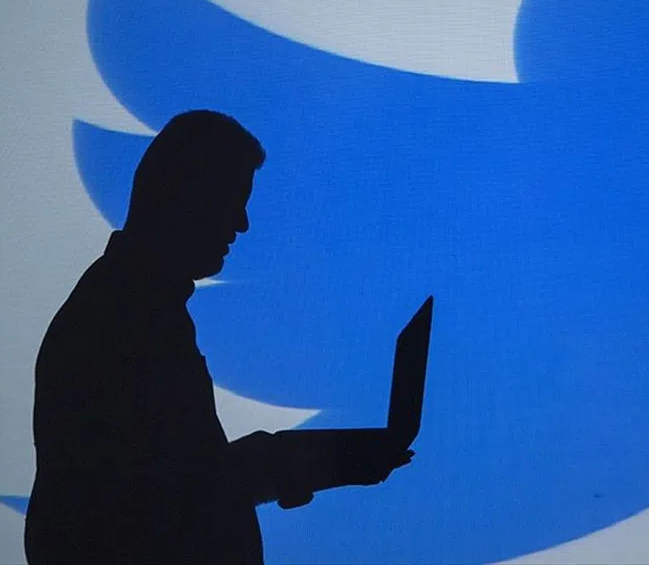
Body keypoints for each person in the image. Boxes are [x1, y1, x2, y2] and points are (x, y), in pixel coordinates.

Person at [25, 110, 412, 564]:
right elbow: (175, 495)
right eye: (232, 199)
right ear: (183, 195)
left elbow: (186, 481)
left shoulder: (133, 308)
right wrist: (325, 460)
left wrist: (322, 461)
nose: (242, 223)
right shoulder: (123, 320)